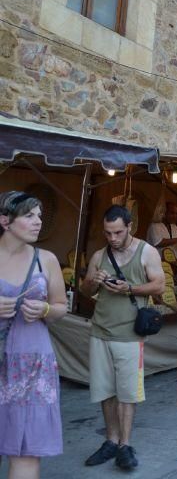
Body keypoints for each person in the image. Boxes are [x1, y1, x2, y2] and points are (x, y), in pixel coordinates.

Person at [80, 205, 166, 470]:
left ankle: (125, 445)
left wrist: (130, 288)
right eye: (108, 233)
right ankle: (110, 440)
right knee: (106, 390)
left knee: (127, 392)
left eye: (117, 232)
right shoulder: (99, 255)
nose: (113, 238)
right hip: (101, 330)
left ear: (130, 227)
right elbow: (84, 290)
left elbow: (160, 285)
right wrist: (94, 280)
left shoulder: (146, 251)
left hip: (130, 334)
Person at [0, 191, 67, 477]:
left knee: (27, 450)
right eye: (29, 215)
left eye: (39, 215)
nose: (38, 221)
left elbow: (62, 307)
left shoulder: (46, 259)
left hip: (33, 366)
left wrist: (45, 309)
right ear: (5, 221)